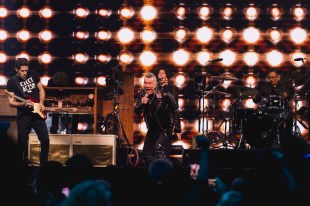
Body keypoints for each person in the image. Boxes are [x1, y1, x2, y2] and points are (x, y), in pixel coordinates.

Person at [6, 57, 49, 166]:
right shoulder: (11, 82)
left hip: (37, 114)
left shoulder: (33, 74)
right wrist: (22, 103)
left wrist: (41, 103)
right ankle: (21, 166)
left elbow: (41, 90)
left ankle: (43, 165)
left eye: (26, 70)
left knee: (45, 140)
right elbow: (11, 102)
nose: (25, 73)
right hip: (23, 116)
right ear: (16, 69)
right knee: (22, 143)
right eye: (22, 71)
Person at [134, 73, 181, 164]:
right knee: (146, 155)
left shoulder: (165, 95)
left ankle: (162, 176)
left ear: (155, 85)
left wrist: (177, 129)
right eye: (145, 83)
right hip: (151, 129)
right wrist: (142, 105)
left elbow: (175, 111)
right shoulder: (141, 94)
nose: (147, 86)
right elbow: (137, 112)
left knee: (159, 153)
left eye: (150, 83)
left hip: (165, 129)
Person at [251, 69, 295, 148]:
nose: (271, 79)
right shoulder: (264, 87)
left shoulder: (285, 86)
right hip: (268, 112)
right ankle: (265, 143)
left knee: (289, 117)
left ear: (278, 77)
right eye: (270, 77)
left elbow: (291, 96)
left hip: (282, 111)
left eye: (273, 77)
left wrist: (287, 95)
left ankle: (288, 142)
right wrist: (254, 97)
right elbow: (257, 99)